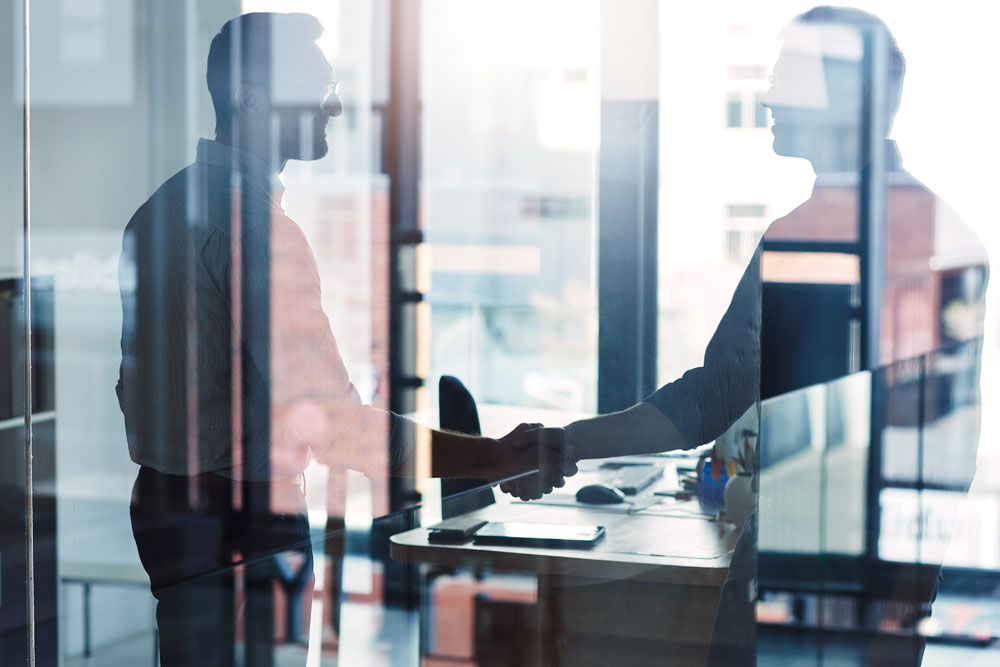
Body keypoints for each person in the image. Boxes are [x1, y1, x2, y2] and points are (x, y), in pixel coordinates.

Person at [504, 7, 987, 666]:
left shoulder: (849, 238)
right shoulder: (925, 231)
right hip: (841, 580)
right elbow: (722, 395)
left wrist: (898, 602)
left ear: (843, 95)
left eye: (786, 75)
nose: (766, 96)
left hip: (825, 584)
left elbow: (933, 437)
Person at [117, 12, 571, 665]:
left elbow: (136, 389)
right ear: (250, 97)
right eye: (315, 87)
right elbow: (339, 427)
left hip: (167, 511)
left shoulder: (155, 212)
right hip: (241, 524)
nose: (333, 105)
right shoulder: (258, 231)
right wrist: (495, 457)